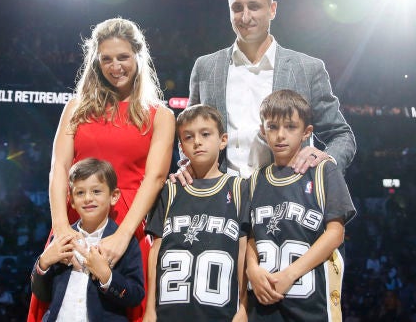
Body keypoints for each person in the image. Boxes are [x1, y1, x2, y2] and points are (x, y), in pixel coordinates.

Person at [185, 0, 357, 313]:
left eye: (254, 6)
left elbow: (343, 135)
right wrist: (186, 168)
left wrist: (320, 159)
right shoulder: (205, 68)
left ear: (273, 9)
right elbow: (190, 134)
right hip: (222, 209)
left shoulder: (308, 68)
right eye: (237, 8)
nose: (245, 16)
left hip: (283, 214)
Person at [29, 17, 176, 322]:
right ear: (96, 61)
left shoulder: (160, 115)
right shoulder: (75, 107)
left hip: (127, 225)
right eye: (106, 59)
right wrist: (61, 230)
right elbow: (59, 168)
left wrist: (123, 236)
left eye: (123, 57)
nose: (115, 66)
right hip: (73, 223)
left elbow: (156, 178)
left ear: (138, 56)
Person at [245, 89, 356, 321]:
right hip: (264, 306)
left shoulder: (324, 171)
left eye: (290, 127)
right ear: (262, 131)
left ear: (306, 132)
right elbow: (251, 236)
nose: (280, 135)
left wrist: (289, 274)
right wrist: (252, 269)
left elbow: (335, 234)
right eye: (273, 127)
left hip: (313, 305)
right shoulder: (254, 181)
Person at [144, 104, 250, 322]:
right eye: (188, 137)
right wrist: (150, 310)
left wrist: (244, 306)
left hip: (220, 312)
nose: (197, 142)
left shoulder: (239, 188)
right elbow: (156, 250)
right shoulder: (170, 189)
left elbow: (243, 251)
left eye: (205, 134)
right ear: (181, 146)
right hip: (170, 312)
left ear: (223, 140)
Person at [30, 158, 145, 321]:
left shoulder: (122, 242)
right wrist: (43, 263)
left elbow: (135, 295)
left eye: (96, 191)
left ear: (114, 196)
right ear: (72, 201)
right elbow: (41, 293)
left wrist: (106, 276)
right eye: (80, 193)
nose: (88, 198)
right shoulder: (61, 238)